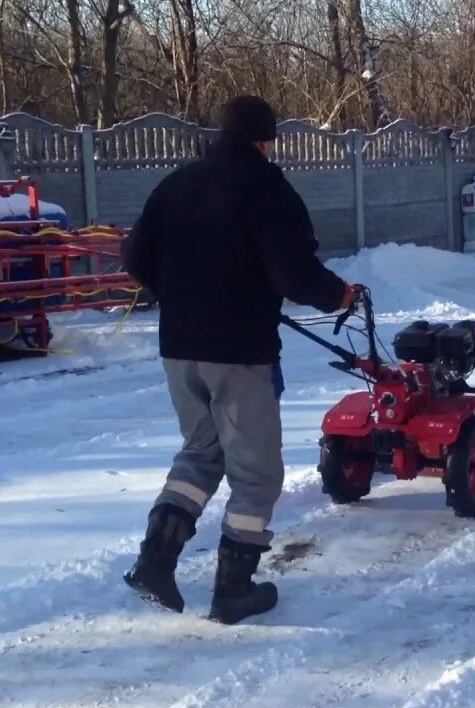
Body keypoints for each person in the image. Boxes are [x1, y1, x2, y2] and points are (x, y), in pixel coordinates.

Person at [119, 95, 357, 625]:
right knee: (255, 474)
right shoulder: (266, 186)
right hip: (239, 352)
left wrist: (182, 295)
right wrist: (339, 295)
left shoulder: (176, 184)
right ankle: (233, 590)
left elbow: (134, 256)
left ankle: (154, 562)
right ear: (264, 138)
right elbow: (294, 272)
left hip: (180, 347)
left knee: (200, 454)